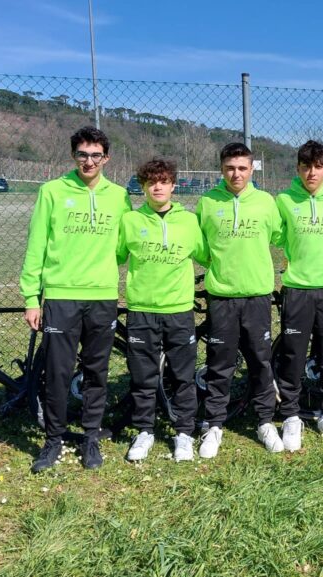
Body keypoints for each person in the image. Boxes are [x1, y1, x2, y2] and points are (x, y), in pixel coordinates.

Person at [19, 126, 132, 472]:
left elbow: (122, 248)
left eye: (96, 155)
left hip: (101, 297)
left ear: (106, 158)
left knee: (96, 372)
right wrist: (31, 297)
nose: (89, 161)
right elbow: (37, 244)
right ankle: (53, 440)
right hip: (61, 297)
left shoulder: (119, 196)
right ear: (73, 156)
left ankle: (90, 437)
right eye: (82, 154)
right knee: (57, 373)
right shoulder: (52, 191)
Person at [195, 143, 285, 457]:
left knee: (260, 361)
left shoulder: (265, 202)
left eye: (242, 168)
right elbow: (201, 247)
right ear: (222, 169)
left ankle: (265, 421)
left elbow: (277, 236)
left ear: (251, 169)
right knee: (220, 363)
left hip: (257, 295)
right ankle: (214, 424)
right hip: (222, 296)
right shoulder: (207, 202)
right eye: (230, 168)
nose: (236, 174)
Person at [117, 158, 206, 462]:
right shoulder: (130, 221)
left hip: (179, 310)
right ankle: (145, 431)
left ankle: (184, 433)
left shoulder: (189, 221)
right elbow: (116, 255)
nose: (157, 187)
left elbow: (206, 254)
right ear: (142, 186)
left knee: (183, 376)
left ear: (173, 185)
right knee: (143, 376)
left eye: (163, 181)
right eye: (151, 182)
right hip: (142, 309)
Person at [274, 140, 323, 449]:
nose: (311, 173)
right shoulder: (284, 200)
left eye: (318, 167)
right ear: (298, 169)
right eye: (306, 167)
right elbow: (278, 236)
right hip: (297, 289)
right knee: (293, 354)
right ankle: (291, 415)